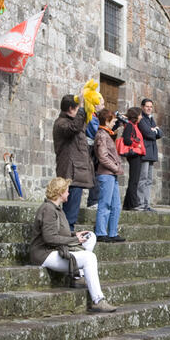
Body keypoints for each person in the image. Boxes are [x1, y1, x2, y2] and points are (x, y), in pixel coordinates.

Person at [29, 177, 117, 313]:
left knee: (90, 237)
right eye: (67, 191)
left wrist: (75, 234)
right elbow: (49, 238)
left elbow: (60, 232)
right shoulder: (48, 209)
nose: (69, 193)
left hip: (54, 249)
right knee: (89, 258)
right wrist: (75, 240)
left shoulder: (56, 208)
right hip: (44, 254)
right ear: (60, 192)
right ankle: (98, 300)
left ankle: (77, 277)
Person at [52, 93, 94, 229]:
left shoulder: (72, 122)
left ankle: (68, 232)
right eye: (77, 109)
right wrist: (82, 110)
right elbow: (74, 128)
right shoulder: (61, 123)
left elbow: (79, 125)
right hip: (70, 172)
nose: (78, 112)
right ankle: (66, 234)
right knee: (69, 211)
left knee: (73, 210)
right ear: (71, 108)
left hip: (77, 171)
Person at [92, 109, 125, 243]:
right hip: (106, 174)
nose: (114, 124)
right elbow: (103, 157)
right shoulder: (101, 135)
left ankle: (112, 232)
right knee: (105, 203)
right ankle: (100, 232)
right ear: (106, 121)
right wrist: (116, 168)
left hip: (112, 174)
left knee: (116, 205)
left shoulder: (107, 134)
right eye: (112, 121)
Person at [137, 98, 162, 212]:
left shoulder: (151, 119)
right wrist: (154, 131)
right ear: (142, 107)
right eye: (147, 106)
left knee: (149, 180)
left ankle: (147, 204)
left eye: (151, 107)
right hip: (144, 152)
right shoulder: (141, 119)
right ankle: (140, 203)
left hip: (151, 153)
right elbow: (148, 133)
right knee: (142, 179)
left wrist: (154, 130)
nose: (149, 108)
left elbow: (160, 134)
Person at [118, 107, 145, 210]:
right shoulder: (130, 125)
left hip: (137, 154)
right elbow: (126, 140)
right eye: (140, 115)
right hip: (134, 154)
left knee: (134, 179)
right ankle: (133, 204)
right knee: (134, 180)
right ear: (136, 115)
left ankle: (127, 204)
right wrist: (136, 145)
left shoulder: (134, 125)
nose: (141, 117)